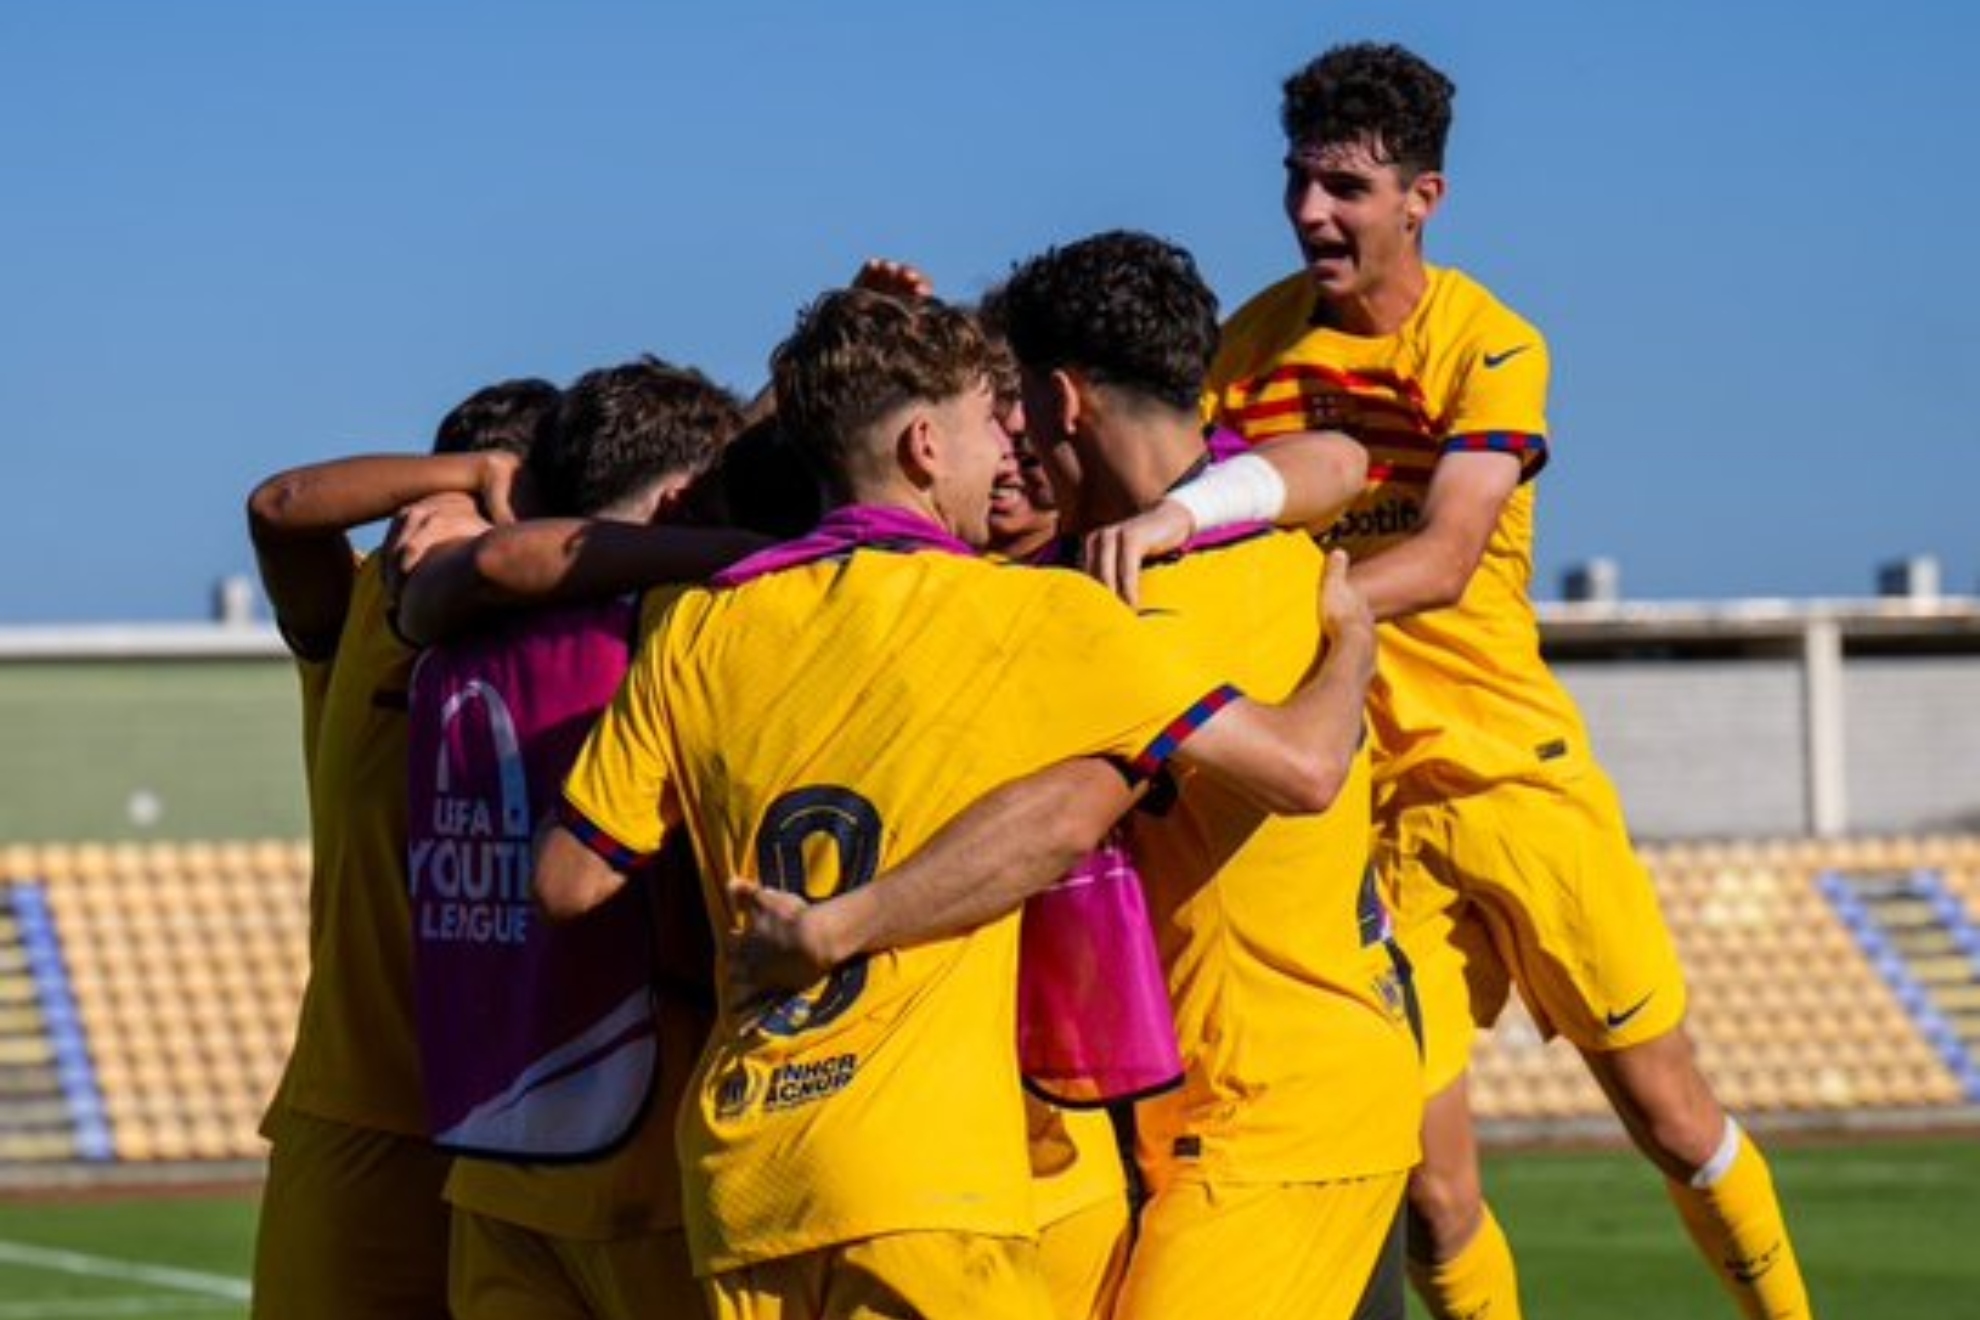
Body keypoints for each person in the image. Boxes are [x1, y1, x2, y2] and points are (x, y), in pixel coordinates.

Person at [533, 286, 1378, 1320]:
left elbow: (568, 881)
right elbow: (1305, 766)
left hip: (743, 1175)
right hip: (921, 1179)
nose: (1010, 454)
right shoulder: (1027, 614)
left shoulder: (701, 629)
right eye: (992, 427)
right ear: (927, 446)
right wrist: (1352, 642)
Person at [1201, 41, 1812, 1320]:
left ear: (1421, 199)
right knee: (1428, 1189)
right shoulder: (1241, 355)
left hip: (1513, 781)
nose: (1314, 211)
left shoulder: (1490, 345)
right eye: (1299, 181)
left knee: (1669, 1117)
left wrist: (1263, 613)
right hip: (1363, 817)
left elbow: (1441, 556)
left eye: (1347, 189)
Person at [399, 358, 746, 1320]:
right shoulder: (677, 630)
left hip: (495, 1151)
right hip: (646, 1152)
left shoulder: (446, 646)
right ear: (689, 504)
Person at [244, 377, 559, 1320]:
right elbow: (278, 510)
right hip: (365, 1114)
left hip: (539, 1125)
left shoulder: (580, 610)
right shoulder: (356, 613)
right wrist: (466, 480)